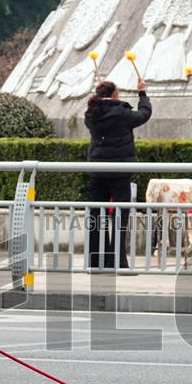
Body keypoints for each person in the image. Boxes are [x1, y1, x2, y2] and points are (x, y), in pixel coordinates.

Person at [84, 79, 151, 270]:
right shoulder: (122, 113)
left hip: (97, 170)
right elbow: (144, 114)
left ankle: (96, 260)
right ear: (115, 94)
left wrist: (102, 100)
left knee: (96, 216)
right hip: (120, 171)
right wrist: (142, 94)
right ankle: (117, 260)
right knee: (121, 216)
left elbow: (100, 107)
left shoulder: (91, 114)